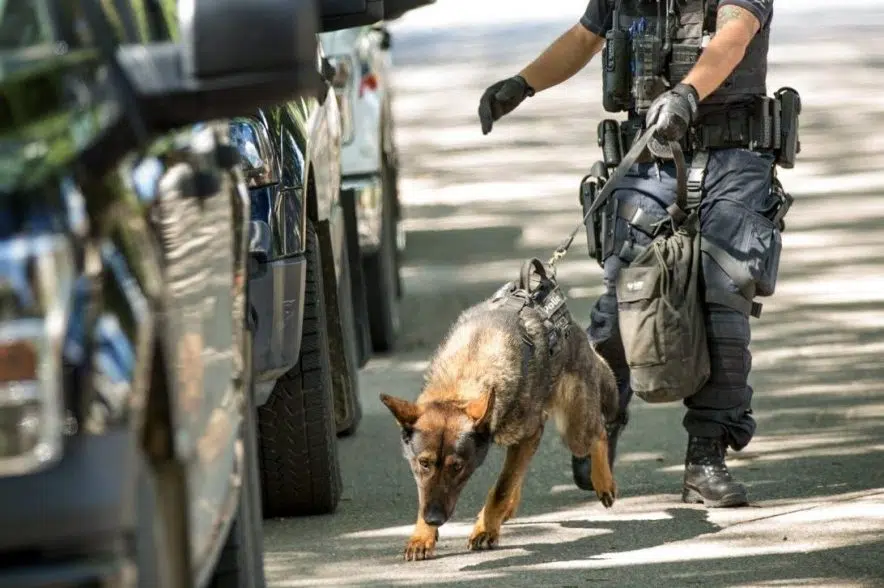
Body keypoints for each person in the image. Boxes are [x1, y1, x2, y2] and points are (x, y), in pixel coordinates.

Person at [478, 0, 794, 508]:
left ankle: (706, 457)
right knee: (623, 304)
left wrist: (688, 93)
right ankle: (600, 424)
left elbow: (733, 34)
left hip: (734, 152)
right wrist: (522, 84)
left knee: (724, 296)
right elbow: (584, 38)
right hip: (648, 154)